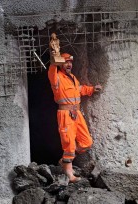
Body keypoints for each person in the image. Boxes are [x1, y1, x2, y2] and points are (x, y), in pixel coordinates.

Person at [48, 53, 102, 183]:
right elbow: (52, 68)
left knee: (87, 142)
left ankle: (65, 160)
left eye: (70, 62)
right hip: (65, 115)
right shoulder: (56, 78)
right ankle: (69, 174)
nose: (69, 65)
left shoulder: (72, 77)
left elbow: (79, 89)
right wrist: (56, 55)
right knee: (69, 145)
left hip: (77, 114)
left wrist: (92, 89)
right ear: (60, 63)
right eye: (66, 62)